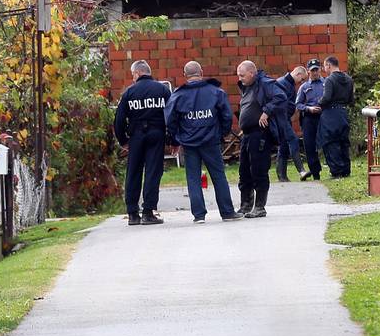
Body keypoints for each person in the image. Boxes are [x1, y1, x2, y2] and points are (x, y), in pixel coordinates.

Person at [164, 61, 245, 223]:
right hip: (211, 141)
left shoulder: (178, 95)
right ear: (201, 72)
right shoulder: (216, 92)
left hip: (189, 144)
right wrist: (220, 134)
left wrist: (176, 139)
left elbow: (170, 121)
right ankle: (227, 213)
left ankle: (199, 215)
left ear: (185, 74)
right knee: (218, 176)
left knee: (193, 178)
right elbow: (227, 117)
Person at [113, 60, 171, 226]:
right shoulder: (162, 90)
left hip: (136, 136)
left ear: (137, 73)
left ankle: (132, 213)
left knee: (133, 172)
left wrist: (123, 140)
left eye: (133, 75)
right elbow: (172, 115)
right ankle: (148, 212)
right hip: (156, 134)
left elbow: (118, 120)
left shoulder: (129, 92)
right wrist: (172, 139)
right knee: (153, 171)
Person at [235, 60, 287, 218]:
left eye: (242, 75)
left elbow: (281, 97)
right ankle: (245, 205)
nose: (240, 78)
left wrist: (266, 111)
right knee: (244, 171)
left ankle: (259, 207)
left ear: (252, 73)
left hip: (260, 135)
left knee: (258, 171)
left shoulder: (265, 83)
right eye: (238, 75)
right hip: (247, 134)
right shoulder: (248, 86)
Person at [317, 56, 355, 179]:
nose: (324, 69)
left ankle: (336, 171)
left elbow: (327, 98)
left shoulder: (329, 80)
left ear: (329, 65)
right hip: (343, 112)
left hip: (330, 113)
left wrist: (319, 103)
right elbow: (351, 99)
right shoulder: (349, 80)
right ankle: (346, 169)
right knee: (343, 141)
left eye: (324, 66)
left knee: (330, 141)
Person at [274, 65, 310, 181]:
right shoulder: (281, 83)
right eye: (302, 79)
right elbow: (278, 103)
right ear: (298, 74)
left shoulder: (289, 84)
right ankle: (301, 170)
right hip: (281, 118)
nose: (302, 82)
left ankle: (282, 177)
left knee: (284, 146)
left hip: (285, 119)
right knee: (293, 139)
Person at [295, 58, 325, 181]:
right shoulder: (304, 87)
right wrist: (309, 108)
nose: (315, 72)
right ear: (308, 71)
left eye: (317, 70)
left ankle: (334, 169)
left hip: (324, 116)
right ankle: (315, 172)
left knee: (327, 142)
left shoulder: (326, 83)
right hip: (309, 118)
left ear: (320, 69)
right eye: (312, 70)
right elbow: (298, 104)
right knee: (309, 145)